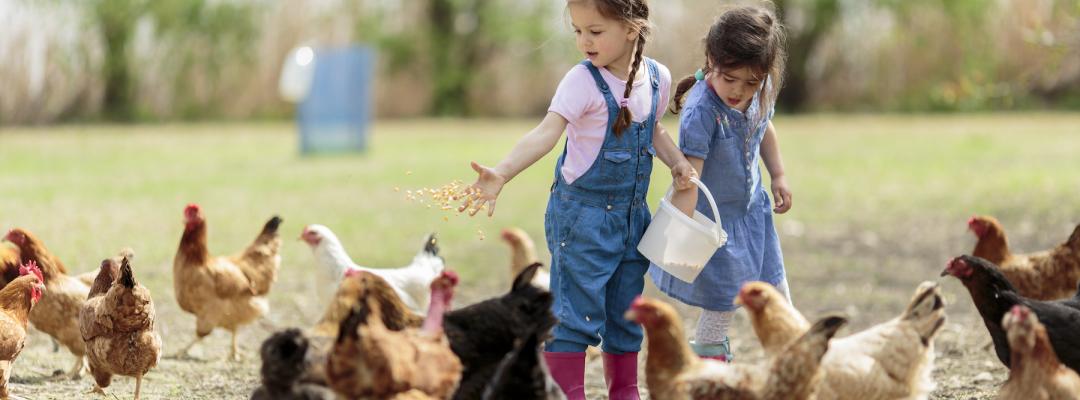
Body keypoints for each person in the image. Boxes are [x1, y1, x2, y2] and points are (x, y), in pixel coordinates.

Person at [459, 0, 695, 398]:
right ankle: (566, 392)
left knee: (626, 314)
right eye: (577, 30)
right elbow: (546, 133)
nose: (583, 41)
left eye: (595, 31)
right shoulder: (581, 81)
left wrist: (676, 162)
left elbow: (654, 130)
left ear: (632, 29)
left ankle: (625, 391)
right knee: (574, 316)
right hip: (580, 219)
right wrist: (501, 173)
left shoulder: (657, 78)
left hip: (633, 218)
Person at [652, 4, 793, 363]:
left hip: (752, 214)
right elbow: (690, 177)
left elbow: (764, 128)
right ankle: (709, 366)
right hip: (717, 226)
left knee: (776, 292)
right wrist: (678, 233)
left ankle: (792, 357)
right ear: (711, 60)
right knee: (722, 304)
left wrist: (777, 174)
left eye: (751, 82)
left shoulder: (761, 89)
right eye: (730, 79)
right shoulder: (702, 110)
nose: (739, 91)